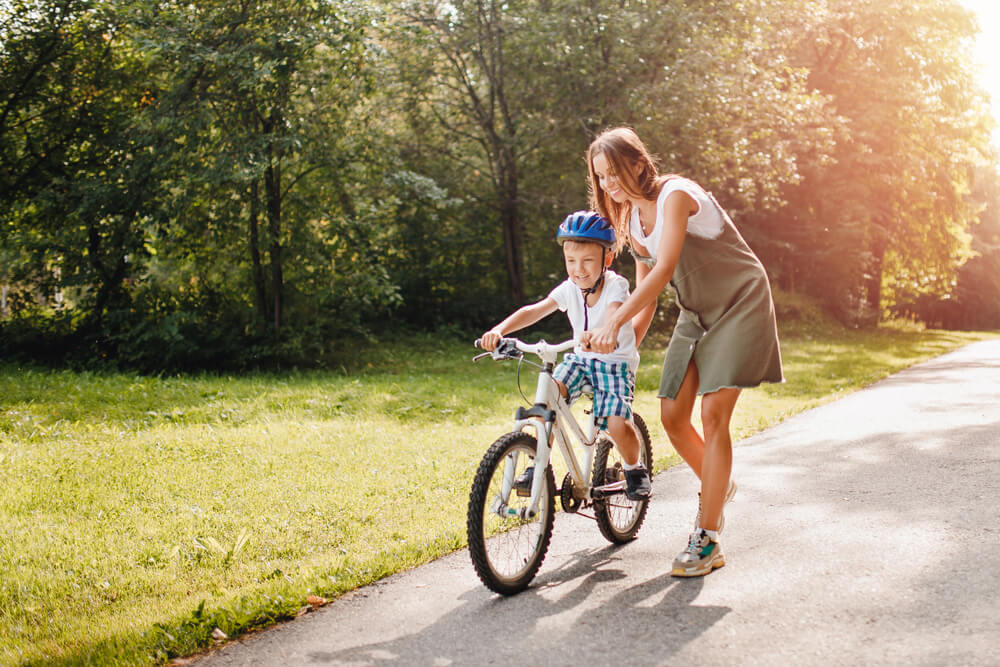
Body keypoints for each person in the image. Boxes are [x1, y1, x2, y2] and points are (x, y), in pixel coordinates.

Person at [582, 127, 783, 577]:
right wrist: (622, 341)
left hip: (741, 302)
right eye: (601, 179)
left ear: (638, 163)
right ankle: (718, 483)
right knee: (672, 415)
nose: (610, 185)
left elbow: (666, 267)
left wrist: (612, 320)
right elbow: (646, 292)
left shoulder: (675, 195)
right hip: (696, 313)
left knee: (714, 416)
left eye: (615, 173)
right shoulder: (631, 221)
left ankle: (708, 538)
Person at [480, 210, 651, 501]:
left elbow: (614, 311)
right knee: (549, 394)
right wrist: (500, 329)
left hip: (613, 363)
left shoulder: (615, 285)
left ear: (606, 259)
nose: (579, 269)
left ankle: (635, 469)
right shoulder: (570, 288)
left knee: (615, 424)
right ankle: (538, 465)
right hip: (581, 360)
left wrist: (607, 332)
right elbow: (536, 309)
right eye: (571, 261)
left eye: (587, 261)